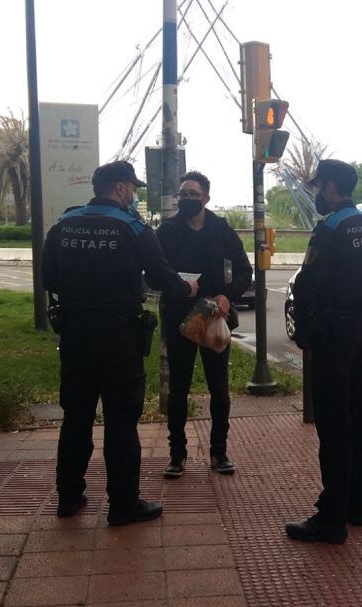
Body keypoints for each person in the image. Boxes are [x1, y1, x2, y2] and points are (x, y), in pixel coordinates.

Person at [41, 160, 198, 527]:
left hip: (76, 336)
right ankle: (123, 504)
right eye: (133, 188)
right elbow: (161, 274)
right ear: (122, 187)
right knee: (121, 422)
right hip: (119, 338)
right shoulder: (133, 227)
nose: (135, 194)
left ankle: (68, 497)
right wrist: (186, 288)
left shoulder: (64, 224)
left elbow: (48, 276)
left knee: (75, 417)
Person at [285, 159, 362, 544]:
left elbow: (307, 281)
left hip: (334, 334)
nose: (315, 195)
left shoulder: (329, 228)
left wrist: (306, 327)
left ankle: (331, 518)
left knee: (334, 426)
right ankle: (357, 505)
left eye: (317, 187)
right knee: (359, 422)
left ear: (329, 187)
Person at [156, 171, 252, 478]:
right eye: (183, 194)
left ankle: (219, 452)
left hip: (215, 319)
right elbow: (154, 272)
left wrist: (227, 295)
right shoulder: (167, 231)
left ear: (206, 198)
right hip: (179, 320)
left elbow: (243, 271)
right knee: (178, 389)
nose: (187, 199)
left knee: (219, 388)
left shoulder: (221, 230)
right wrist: (178, 287)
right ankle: (177, 454)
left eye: (193, 194)